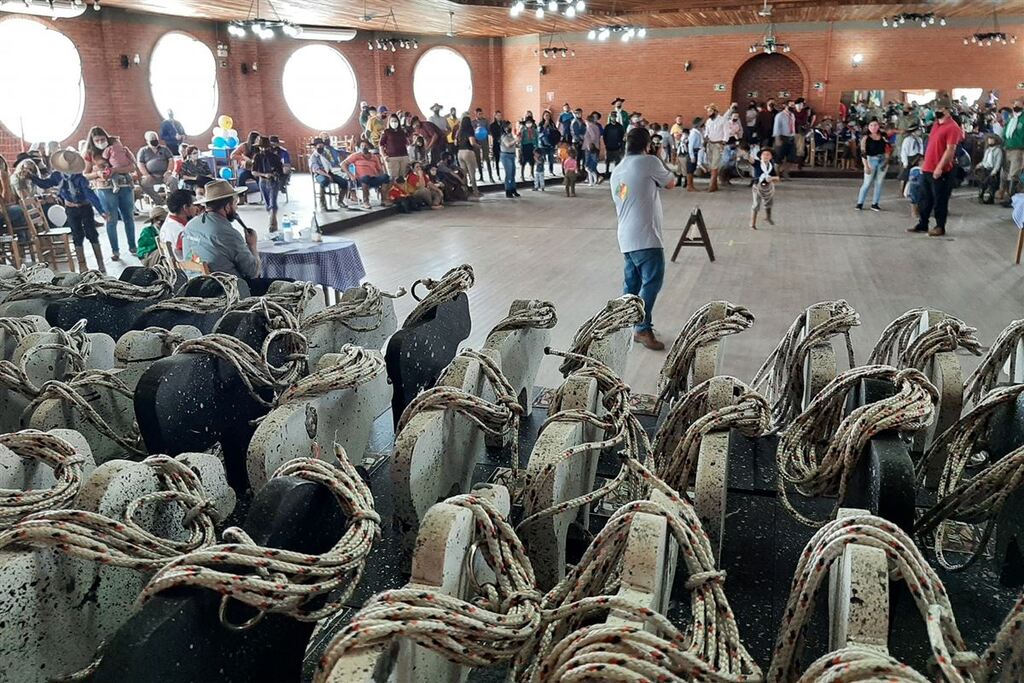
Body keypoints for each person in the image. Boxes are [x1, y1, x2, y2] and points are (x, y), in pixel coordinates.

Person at [610, 127, 677, 351]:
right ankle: (641, 329)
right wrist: (658, 158)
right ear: (647, 145)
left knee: (632, 284)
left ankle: (625, 324)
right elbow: (671, 183)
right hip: (647, 236)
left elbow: (628, 194)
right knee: (651, 282)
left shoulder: (618, 169)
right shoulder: (649, 162)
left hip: (626, 237)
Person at [32, 149, 107, 272]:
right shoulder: (57, 176)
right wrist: (32, 177)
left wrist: (101, 210)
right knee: (76, 234)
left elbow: (89, 194)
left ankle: (100, 263)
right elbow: (45, 184)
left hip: (84, 207)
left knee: (91, 233)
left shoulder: (80, 178)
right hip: (71, 209)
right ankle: (82, 265)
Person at [909, 97, 964, 237]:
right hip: (928, 167)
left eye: (939, 109)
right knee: (925, 198)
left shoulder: (953, 128)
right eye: (935, 108)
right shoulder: (936, 124)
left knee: (940, 199)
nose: (936, 111)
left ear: (947, 110)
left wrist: (940, 167)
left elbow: (950, 150)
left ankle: (940, 226)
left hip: (941, 170)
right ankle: (923, 223)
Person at [182, 179, 258, 278]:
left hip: (194, 284)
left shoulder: (190, 225)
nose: (237, 208)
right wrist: (252, 245)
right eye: (235, 203)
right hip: (226, 290)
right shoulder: (228, 234)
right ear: (227, 207)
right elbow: (253, 272)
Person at [83, 125, 136, 261]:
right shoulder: (90, 153)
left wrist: (117, 170)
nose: (101, 142)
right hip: (104, 187)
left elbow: (132, 166)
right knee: (111, 218)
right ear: (92, 141)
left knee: (128, 216)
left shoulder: (117, 147)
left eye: (103, 139)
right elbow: (85, 174)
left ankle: (133, 246)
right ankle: (115, 250)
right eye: (97, 140)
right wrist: (98, 173)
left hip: (124, 184)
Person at [342, 142, 391, 209]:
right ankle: (366, 202)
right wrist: (350, 175)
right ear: (359, 147)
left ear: (369, 147)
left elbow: (380, 170)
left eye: (365, 145)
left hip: (373, 178)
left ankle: (384, 199)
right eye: (362, 145)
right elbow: (343, 164)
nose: (364, 147)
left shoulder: (374, 156)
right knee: (366, 177)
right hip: (360, 179)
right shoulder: (356, 155)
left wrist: (381, 176)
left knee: (386, 177)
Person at [856, 119, 889, 211]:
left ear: (878, 126)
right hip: (871, 159)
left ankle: (875, 203)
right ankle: (860, 203)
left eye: (875, 125)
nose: (873, 127)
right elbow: (863, 152)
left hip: (882, 159)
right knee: (867, 183)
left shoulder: (883, 136)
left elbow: (887, 148)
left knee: (879, 183)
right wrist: (865, 165)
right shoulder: (865, 138)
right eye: (871, 125)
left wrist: (886, 160)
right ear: (868, 127)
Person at [251, 135, 283, 231]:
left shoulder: (275, 157)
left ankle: (272, 223)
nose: (263, 149)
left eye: (265, 147)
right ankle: (272, 219)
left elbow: (280, 171)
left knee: (273, 202)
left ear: (269, 147)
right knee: (267, 202)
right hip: (263, 181)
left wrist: (275, 174)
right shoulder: (257, 157)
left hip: (273, 181)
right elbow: (253, 171)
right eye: (261, 147)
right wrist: (264, 175)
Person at [136, 130, 177, 202]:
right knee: (143, 183)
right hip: (151, 175)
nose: (154, 142)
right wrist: (147, 175)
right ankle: (158, 200)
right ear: (147, 141)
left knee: (173, 180)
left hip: (165, 174)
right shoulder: (143, 151)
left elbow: (171, 160)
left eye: (155, 140)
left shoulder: (164, 149)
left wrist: (168, 171)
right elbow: (140, 164)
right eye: (152, 141)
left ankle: (175, 200)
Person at [309, 138, 349, 211]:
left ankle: (340, 201)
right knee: (324, 181)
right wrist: (327, 175)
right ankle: (322, 204)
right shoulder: (313, 157)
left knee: (344, 182)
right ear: (315, 147)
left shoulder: (326, 154)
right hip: (320, 174)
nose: (321, 148)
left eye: (322, 146)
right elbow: (317, 170)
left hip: (330, 172)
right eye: (319, 146)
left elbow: (332, 164)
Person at [161, 188, 197, 259]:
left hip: (171, 266)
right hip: (184, 266)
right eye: (194, 205)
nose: (197, 208)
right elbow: (192, 256)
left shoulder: (168, 222)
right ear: (185, 207)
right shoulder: (182, 231)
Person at [999, 99, 1024, 204]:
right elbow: (1005, 131)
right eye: (1014, 105)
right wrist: (1003, 142)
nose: (1015, 106)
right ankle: (1005, 193)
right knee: (1005, 172)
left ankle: (1011, 198)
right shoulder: (1012, 118)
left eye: (1018, 105)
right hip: (1007, 149)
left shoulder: (1022, 119)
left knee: (1013, 173)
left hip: (1018, 150)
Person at [749, 147, 780, 230]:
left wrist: (772, 178)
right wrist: (745, 154)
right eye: (764, 154)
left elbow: (777, 178)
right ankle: (752, 224)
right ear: (760, 156)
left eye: (768, 155)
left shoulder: (771, 167)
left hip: (768, 188)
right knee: (756, 205)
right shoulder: (757, 163)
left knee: (768, 204)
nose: (766, 156)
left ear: (771, 157)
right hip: (757, 186)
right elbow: (750, 160)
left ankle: (768, 217)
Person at [380, 113, 411, 187]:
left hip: (403, 156)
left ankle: (402, 194)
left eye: (396, 121)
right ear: (389, 122)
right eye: (392, 121)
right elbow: (381, 145)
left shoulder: (402, 131)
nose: (394, 123)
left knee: (403, 177)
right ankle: (392, 195)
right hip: (392, 157)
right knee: (393, 178)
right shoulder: (386, 132)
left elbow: (407, 143)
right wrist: (384, 156)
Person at [703, 105, 729, 192]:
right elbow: (706, 132)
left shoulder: (722, 120)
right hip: (710, 144)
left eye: (710, 111)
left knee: (715, 164)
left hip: (718, 144)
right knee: (711, 165)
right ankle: (714, 185)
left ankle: (711, 185)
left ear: (715, 111)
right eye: (707, 111)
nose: (708, 113)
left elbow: (726, 132)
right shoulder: (708, 121)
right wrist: (705, 138)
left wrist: (724, 142)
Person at [230, 130, 260, 205]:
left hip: (257, 169)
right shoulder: (244, 146)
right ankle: (241, 199)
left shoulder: (259, 147)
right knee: (241, 178)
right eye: (257, 138)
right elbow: (232, 155)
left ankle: (264, 197)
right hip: (246, 169)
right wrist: (243, 158)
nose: (259, 140)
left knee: (261, 179)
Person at [455, 116, 481, 196]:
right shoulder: (469, 130)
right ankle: (475, 191)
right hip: (468, 152)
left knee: (464, 173)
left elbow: (455, 143)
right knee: (471, 173)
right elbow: (472, 142)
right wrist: (478, 146)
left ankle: (465, 191)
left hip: (460, 153)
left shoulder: (458, 131)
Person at [975, 134, 1003, 205]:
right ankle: (981, 195)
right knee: (982, 183)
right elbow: (984, 160)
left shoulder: (998, 151)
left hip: (992, 169)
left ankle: (990, 198)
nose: (990, 141)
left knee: (991, 184)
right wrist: (979, 165)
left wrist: (994, 171)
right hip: (985, 168)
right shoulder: (987, 150)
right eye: (989, 139)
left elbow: (998, 163)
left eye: (991, 139)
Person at [773, 100, 797, 179]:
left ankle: (785, 172)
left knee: (792, 157)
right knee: (778, 157)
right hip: (782, 137)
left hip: (791, 137)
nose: (793, 107)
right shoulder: (780, 115)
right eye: (791, 105)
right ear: (786, 106)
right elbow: (776, 127)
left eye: (794, 105)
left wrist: (794, 135)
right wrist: (777, 139)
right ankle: (777, 175)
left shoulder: (792, 115)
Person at [499, 123, 520, 199]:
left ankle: (513, 189)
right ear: (504, 128)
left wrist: (517, 140)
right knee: (509, 173)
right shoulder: (503, 136)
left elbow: (515, 144)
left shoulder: (510, 135)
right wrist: (515, 140)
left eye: (510, 126)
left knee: (513, 173)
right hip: (506, 155)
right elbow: (508, 144)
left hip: (512, 155)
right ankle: (508, 190)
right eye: (508, 126)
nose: (510, 128)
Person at [685, 117, 703, 191]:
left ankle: (691, 185)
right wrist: (692, 156)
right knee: (690, 170)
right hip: (693, 152)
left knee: (692, 170)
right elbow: (690, 146)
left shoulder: (697, 132)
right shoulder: (693, 133)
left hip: (696, 151)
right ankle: (689, 186)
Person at [518, 116, 538, 181]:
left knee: (532, 161)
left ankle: (531, 173)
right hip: (524, 146)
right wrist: (520, 147)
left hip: (531, 146)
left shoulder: (534, 130)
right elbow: (520, 139)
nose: (529, 123)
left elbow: (536, 139)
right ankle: (522, 175)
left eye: (530, 122)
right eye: (527, 122)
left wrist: (536, 146)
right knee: (523, 161)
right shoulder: (523, 130)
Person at [489, 111, 506, 180]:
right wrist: (498, 138)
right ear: (495, 116)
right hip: (496, 143)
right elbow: (493, 135)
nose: (499, 117)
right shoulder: (492, 125)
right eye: (498, 115)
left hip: (504, 143)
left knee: (505, 158)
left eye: (500, 115)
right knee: (497, 159)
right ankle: (498, 174)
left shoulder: (503, 124)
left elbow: (505, 132)